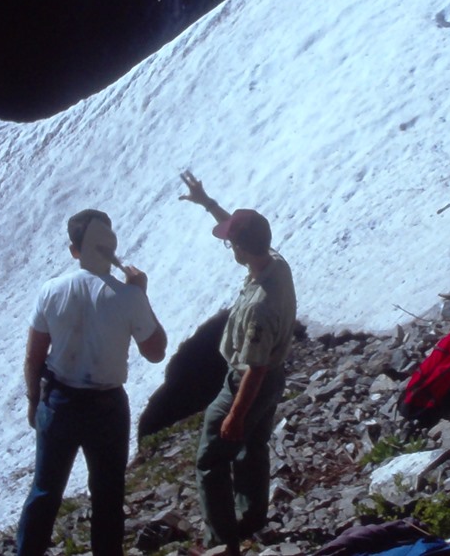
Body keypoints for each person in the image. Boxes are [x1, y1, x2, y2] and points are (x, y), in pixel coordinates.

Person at [16, 209, 167, 556]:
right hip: (106, 406)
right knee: (108, 494)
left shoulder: (51, 290)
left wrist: (33, 400)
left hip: (59, 402)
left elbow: (33, 356)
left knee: (45, 492)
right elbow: (155, 351)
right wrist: (141, 294)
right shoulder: (128, 297)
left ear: (75, 250)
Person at [179, 171, 296, 556]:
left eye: (233, 243)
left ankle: (222, 542)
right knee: (253, 448)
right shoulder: (275, 263)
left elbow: (255, 367)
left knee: (211, 460)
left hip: (247, 382)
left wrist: (235, 415)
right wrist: (208, 203)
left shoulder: (262, 304)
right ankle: (251, 521)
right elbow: (241, 234)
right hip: (274, 377)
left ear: (241, 249)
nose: (230, 247)